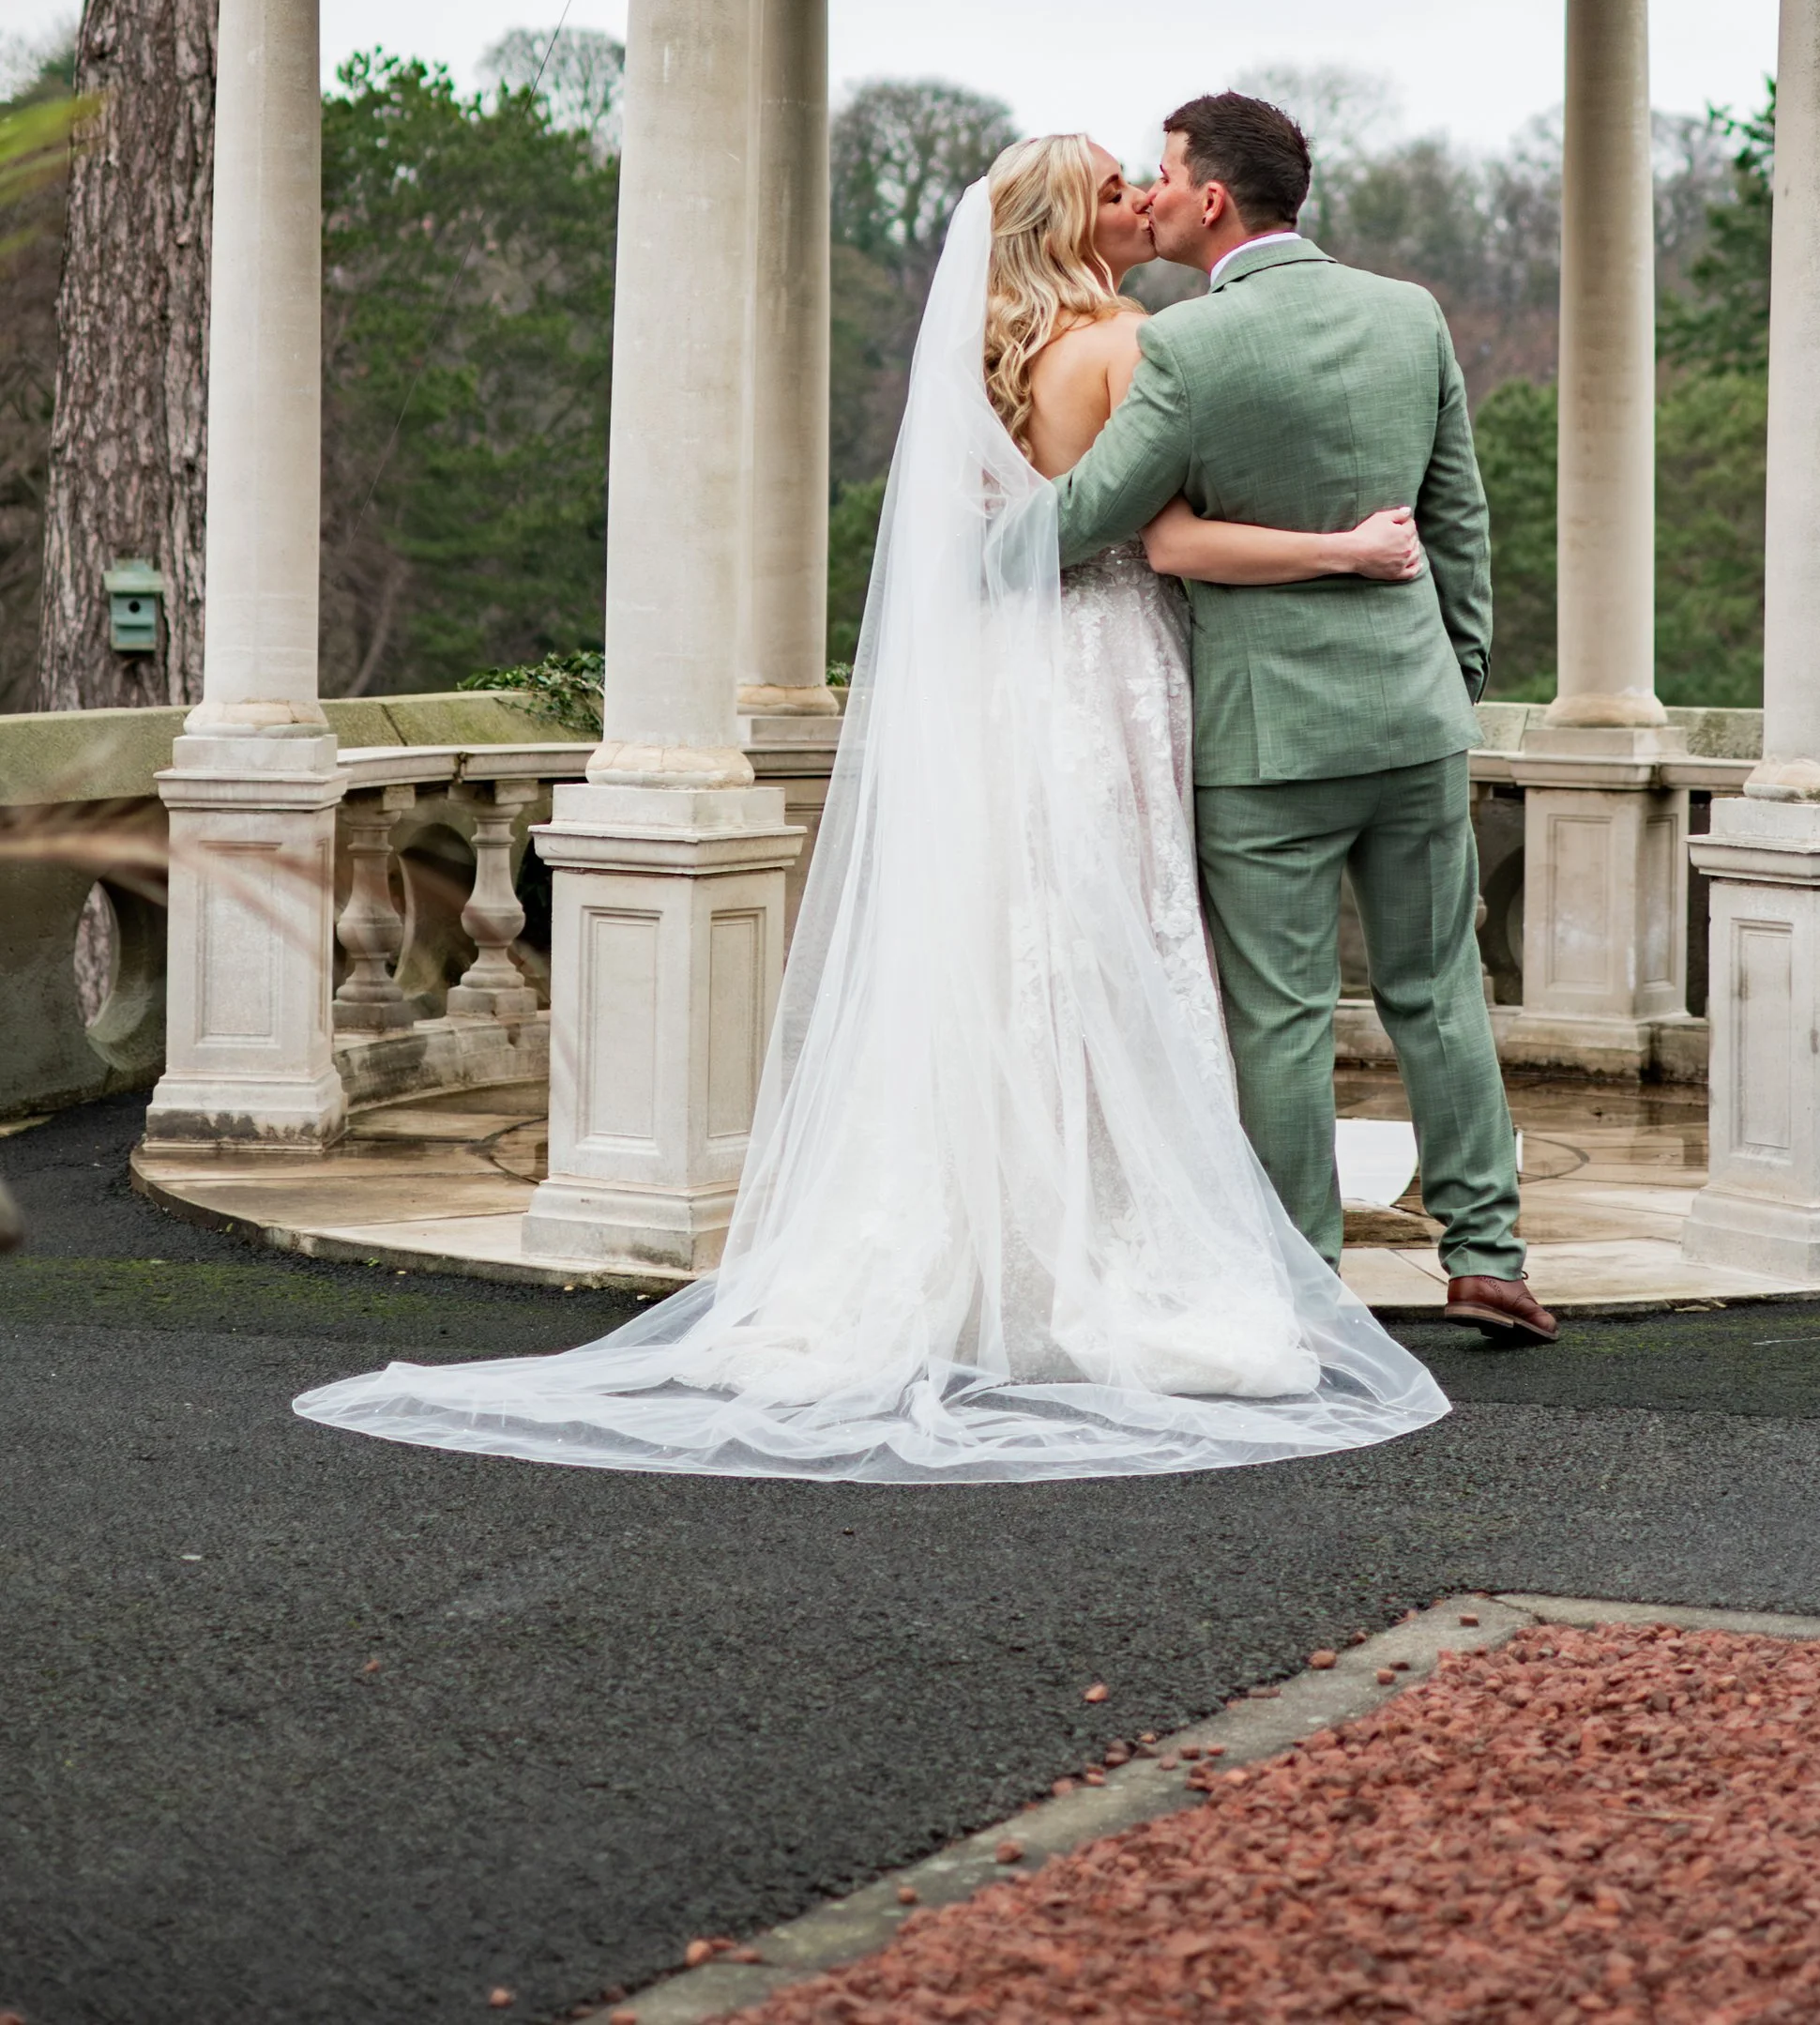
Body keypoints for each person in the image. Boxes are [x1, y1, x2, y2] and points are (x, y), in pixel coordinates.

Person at [291, 131, 1451, 1482]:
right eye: (1114, 188)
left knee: (1002, 937)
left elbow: (977, 541)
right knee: (1116, 932)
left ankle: (979, 1239)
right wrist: (1345, 547)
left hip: (1002, 677)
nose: (1142, 197)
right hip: (1106, 668)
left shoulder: (983, 360)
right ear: (1071, 226)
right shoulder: (1130, 345)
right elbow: (1164, 538)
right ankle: (1105, 1243)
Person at [1054, 92, 1557, 1344]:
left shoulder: (1185, 345)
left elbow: (1090, 516)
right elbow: (1458, 521)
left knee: (1280, 1015)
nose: (1152, 193)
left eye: (1165, 172)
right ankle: (1487, 1255)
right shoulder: (1408, 315)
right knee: (1439, 990)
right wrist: (1453, 674)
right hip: (1413, 720)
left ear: (1213, 197)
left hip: (1264, 741)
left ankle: (1304, 1285)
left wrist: (956, 541)